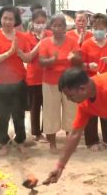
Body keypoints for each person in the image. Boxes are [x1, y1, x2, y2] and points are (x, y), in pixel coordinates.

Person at [44, 68, 107, 185]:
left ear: (82, 89)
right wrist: (60, 166)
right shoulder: (85, 104)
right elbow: (74, 134)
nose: (68, 100)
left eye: (70, 96)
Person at [0, 6, 30, 155]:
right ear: (0, 19)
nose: (8, 21)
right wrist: (9, 52)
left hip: (18, 82)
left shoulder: (22, 37)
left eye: (11, 19)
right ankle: (3, 142)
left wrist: (21, 53)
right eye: (5, 18)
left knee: (19, 114)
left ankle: (20, 141)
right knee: (2, 115)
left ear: (16, 21)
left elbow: (28, 58)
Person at [38, 14, 81, 154]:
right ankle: (52, 144)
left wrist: (74, 57)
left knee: (71, 112)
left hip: (70, 82)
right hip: (50, 82)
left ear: (65, 27)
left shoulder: (72, 41)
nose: (57, 28)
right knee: (50, 112)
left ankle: (69, 143)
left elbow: (79, 59)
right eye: (55, 25)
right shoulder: (45, 42)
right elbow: (41, 62)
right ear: (51, 27)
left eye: (61, 25)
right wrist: (51, 60)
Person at [81, 13, 107, 151]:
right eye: (95, 27)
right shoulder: (86, 44)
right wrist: (88, 66)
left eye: (101, 27)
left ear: (106, 28)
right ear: (92, 27)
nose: (98, 30)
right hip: (90, 82)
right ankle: (92, 141)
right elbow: (80, 64)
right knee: (91, 112)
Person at [22, 9, 53, 142]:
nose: (40, 24)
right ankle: (36, 133)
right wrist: (41, 42)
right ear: (32, 23)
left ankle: (46, 131)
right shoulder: (26, 37)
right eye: (37, 22)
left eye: (43, 22)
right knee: (35, 106)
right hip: (34, 77)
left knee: (47, 106)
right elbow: (28, 57)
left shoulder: (50, 34)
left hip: (49, 77)